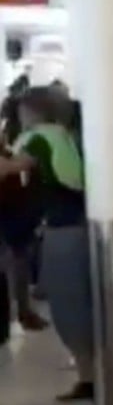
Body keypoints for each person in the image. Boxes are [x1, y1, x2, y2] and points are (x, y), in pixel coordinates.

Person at [0, 88, 92, 401]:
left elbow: (12, 167)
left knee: (67, 304)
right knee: (79, 301)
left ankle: (89, 376)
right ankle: (90, 374)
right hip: (81, 222)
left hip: (62, 227)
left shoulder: (37, 138)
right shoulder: (67, 135)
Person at [0, 92, 47, 330]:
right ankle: (20, 313)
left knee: (17, 263)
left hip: (15, 213)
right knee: (14, 263)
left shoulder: (12, 142)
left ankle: (21, 312)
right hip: (10, 214)